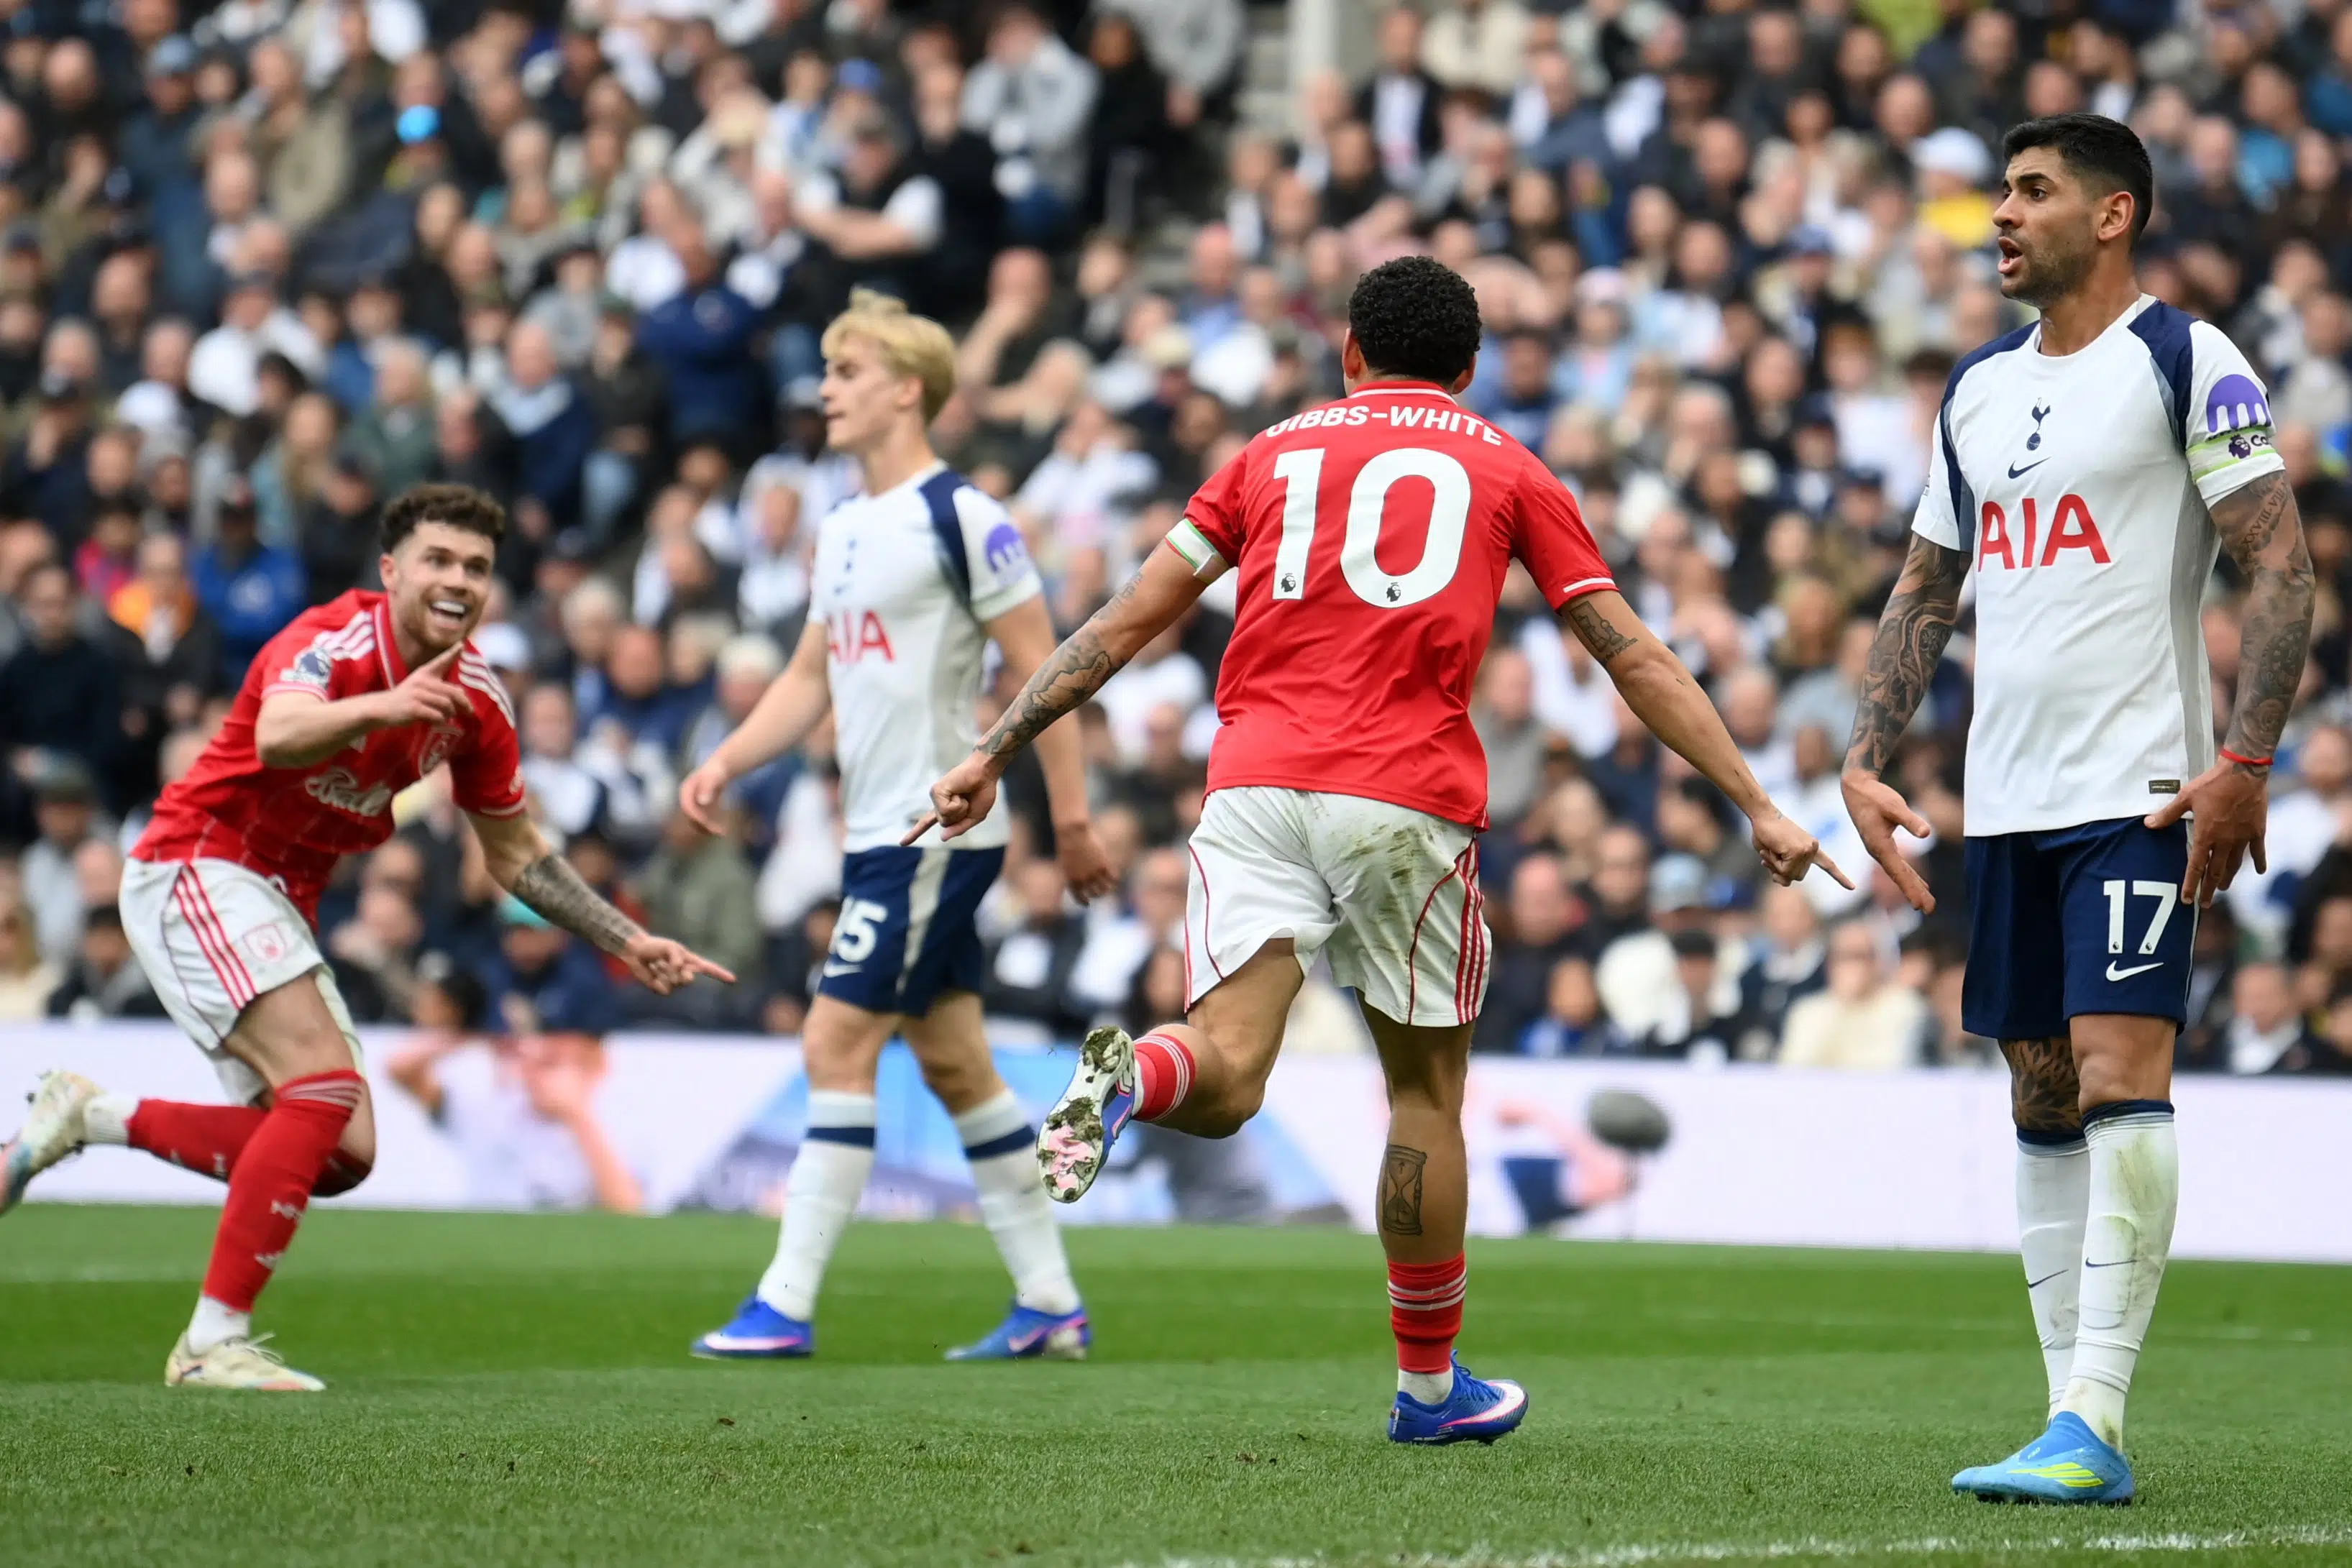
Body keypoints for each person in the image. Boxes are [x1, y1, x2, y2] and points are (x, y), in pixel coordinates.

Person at [912, 256, 1844, 1444]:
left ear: (1350, 353)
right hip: (1404, 802)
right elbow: (1633, 654)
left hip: (1253, 786)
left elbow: (1122, 621)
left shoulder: (1268, 455)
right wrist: (1755, 800)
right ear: (1467, 367)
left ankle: (1132, 1080)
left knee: (1229, 1068)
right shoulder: (1506, 464)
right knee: (1422, 1095)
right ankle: (1425, 1389)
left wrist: (996, 745)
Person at [0, 483, 731, 1392]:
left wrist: (625, 939)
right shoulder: (334, 640)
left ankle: (89, 1114)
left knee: (341, 1152)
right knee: (322, 1089)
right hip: (200, 862)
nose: (458, 579)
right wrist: (380, 710)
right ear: (392, 571)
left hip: (277, 896)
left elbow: (516, 855)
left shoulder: (479, 704)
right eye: (439, 559)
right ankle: (208, 1344)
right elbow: (278, 735)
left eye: (477, 567)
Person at [1841, 115, 2314, 1505]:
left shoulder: (2184, 359)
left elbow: (2278, 567)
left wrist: (2245, 760)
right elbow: (1929, 586)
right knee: (2038, 1088)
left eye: (2031, 191)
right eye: (2000, 189)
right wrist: (1870, 752)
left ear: (2113, 216)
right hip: (2009, 798)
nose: (1999, 214)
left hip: (2142, 790)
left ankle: (2094, 1419)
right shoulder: (1978, 389)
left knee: (2118, 1071)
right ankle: (2062, 1414)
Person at [675, 291, 1115, 1365]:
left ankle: (783, 1302)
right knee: (957, 1064)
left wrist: (1070, 816)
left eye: (849, 369)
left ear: (907, 387)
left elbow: (1046, 670)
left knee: (833, 1039)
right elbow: (804, 675)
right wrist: (730, 757)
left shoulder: (964, 517)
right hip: (872, 830)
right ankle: (1050, 1303)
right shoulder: (840, 526)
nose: (827, 388)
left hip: (934, 828)